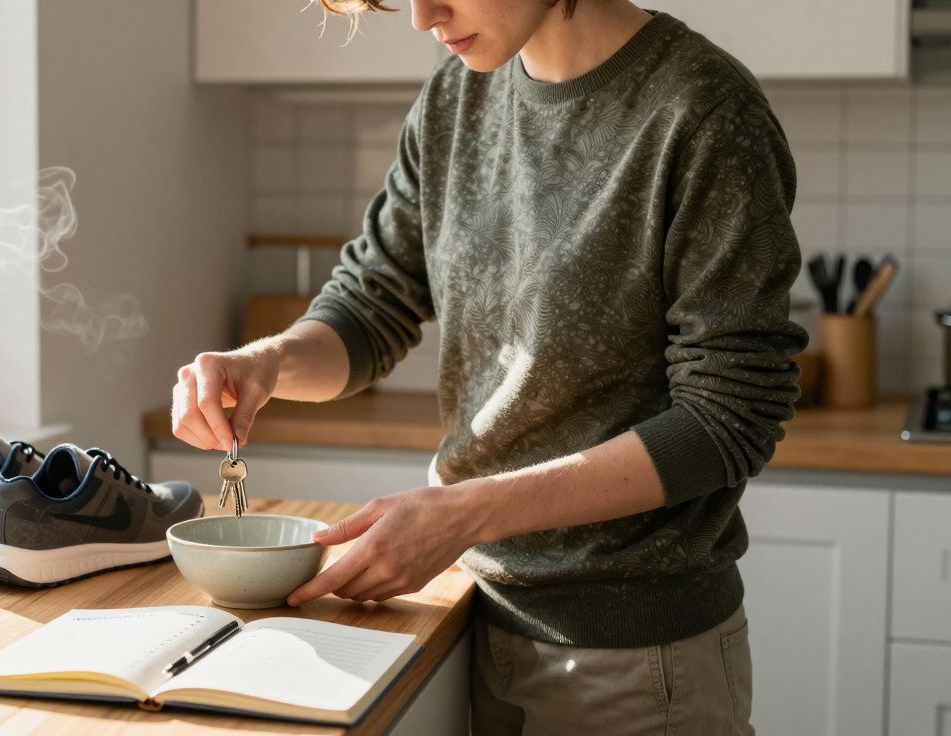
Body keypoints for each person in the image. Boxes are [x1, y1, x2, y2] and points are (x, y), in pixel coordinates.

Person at [171, 0, 806, 733]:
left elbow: (727, 421)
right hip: (471, 620)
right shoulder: (457, 96)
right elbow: (371, 307)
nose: (420, 16)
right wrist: (266, 362)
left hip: (635, 663)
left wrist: (464, 513)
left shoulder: (701, 109)